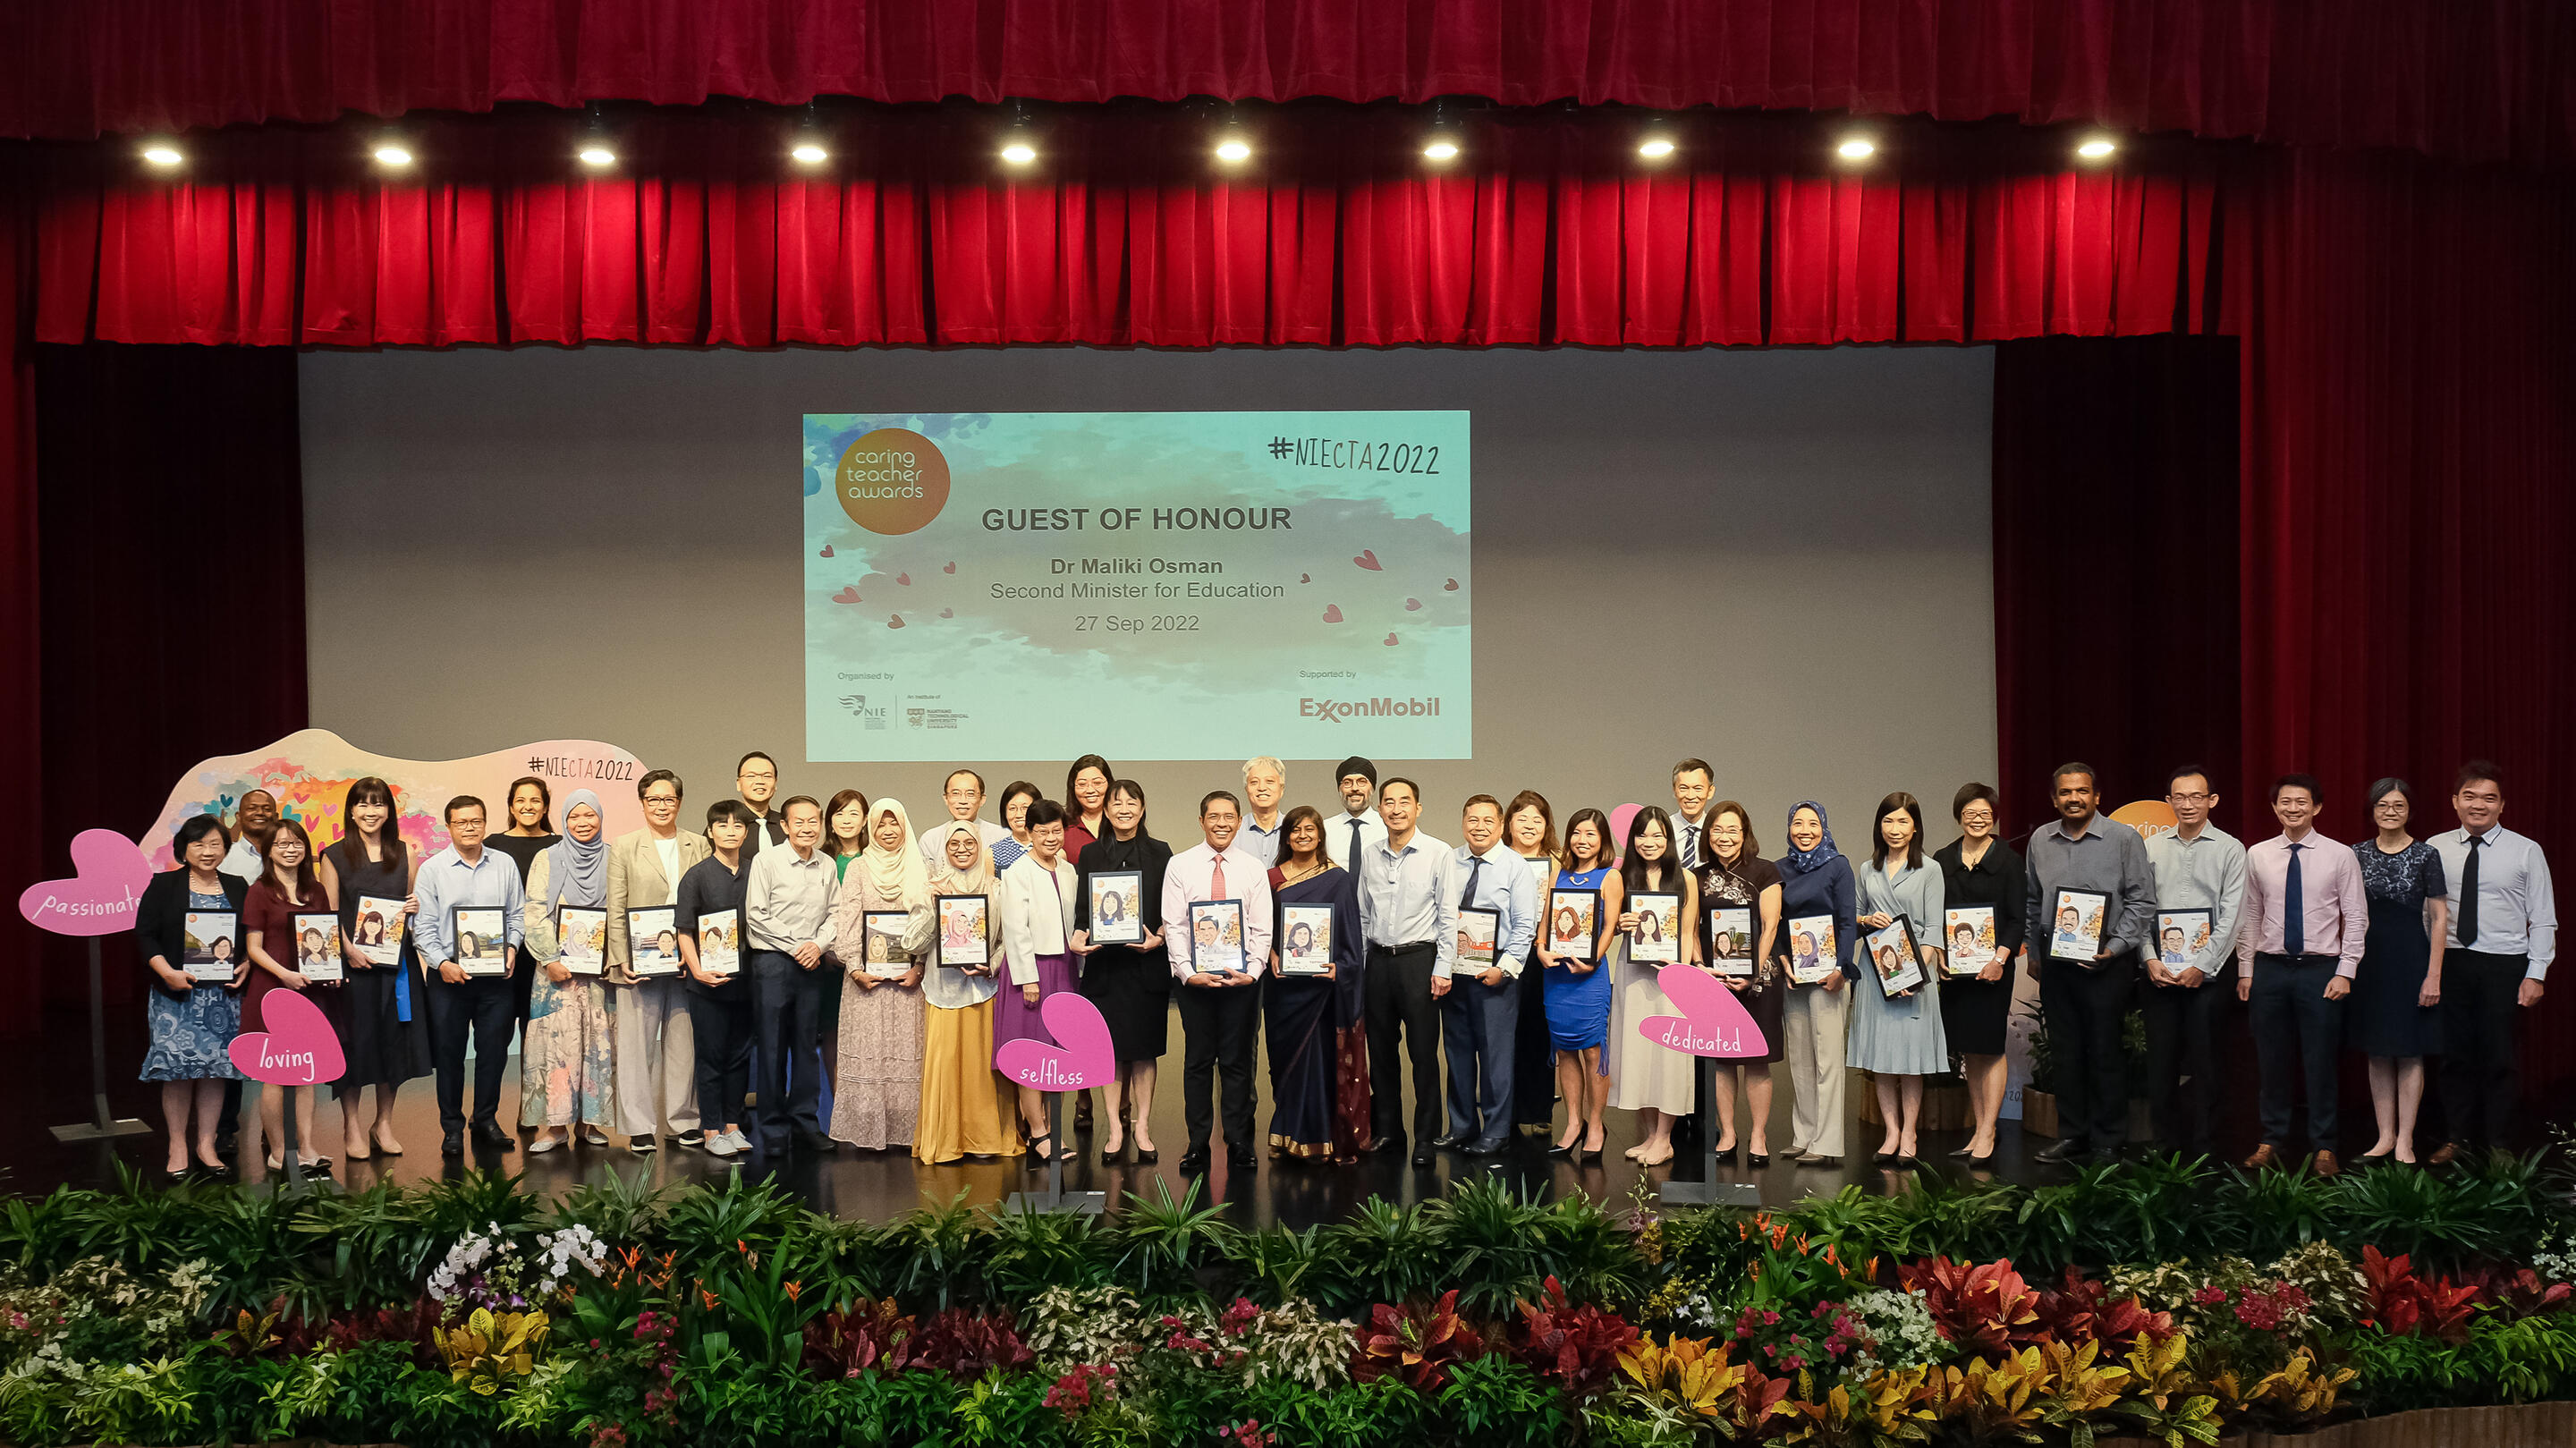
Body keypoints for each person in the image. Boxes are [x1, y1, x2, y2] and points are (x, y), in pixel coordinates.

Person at [2022, 763, 2156, 1166]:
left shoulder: (2124, 838)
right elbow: (2032, 901)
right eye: (2065, 792)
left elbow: (2142, 900)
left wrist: (2115, 948)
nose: (2074, 798)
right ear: (2054, 798)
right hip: (2057, 965)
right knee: (2065, 1053)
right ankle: (2073, 1135)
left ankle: (2108, 1140)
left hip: (2107, 965)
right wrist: (2033, 951)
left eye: (2082, 791)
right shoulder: (2040, 840)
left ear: (2097, 796)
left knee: (2104, 1052)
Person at [2237, 774, 2368, 1176]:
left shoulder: (2339, 855)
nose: (2293, 808)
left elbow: (2356, 916)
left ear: (2317, 807)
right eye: (2285, 802)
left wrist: (2346, 971)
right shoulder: (2257, 854)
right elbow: (2251, 915)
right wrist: (2246, 970)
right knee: (2272, 1059)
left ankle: (2324, 1145)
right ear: (2275, 808)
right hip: (2270, 969)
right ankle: (2271, 1138)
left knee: (2320, 1061)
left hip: (2321, 971)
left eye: (2301, 802)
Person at [2430, 761, 2555, 1167]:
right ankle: (2456, 1138)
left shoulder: (2525, 850)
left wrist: (2536, 973)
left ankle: (2499, 1141)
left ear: (2502, 805)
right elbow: (2426, 913)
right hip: (2451, 962)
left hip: (2504, 964)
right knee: (2454, 1055)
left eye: (2488, 798)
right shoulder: (2435, 847)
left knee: (2499, 1055)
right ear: (2455, 802)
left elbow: (2543, 916)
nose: (2478, 805)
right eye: (2469, 796)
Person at [1157, 790, 1274, 1173]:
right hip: (1196, 983)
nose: (1222, 823)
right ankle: (1197, 1144)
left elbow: (1261, 927)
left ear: (1239, 822)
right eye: (1214, 816)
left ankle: (1240, 1142)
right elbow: (1173, 926)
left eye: (1229, 817)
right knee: (1198, 1061)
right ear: (1202, 820)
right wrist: (1188, 972)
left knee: (1238, 1063)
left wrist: (1253, 972)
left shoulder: (1253, 867)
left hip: (1242, 982)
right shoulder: (1180, 865)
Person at [2139, 766, 2248, 1161]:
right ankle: (2165, 1145)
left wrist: (2202, 965)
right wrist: (2149, 959)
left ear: (2212, 801)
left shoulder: (2231, 849)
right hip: (2160, 974)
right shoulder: (2151, 848)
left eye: (2196, 797)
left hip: (2211, 975)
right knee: (2161, 1063)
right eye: (2179, 797)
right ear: (2168, 802)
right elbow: (2140, 909)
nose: (2187, 805)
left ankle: (2206, 1149)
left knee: (2209, 1064)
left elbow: (2234, 914)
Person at [322, 776, 429, 1162]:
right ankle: (351, 1124)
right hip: (354, 970)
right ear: (351, 811)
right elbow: (328, 915)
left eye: (378, 804)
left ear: (389, 811)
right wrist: (347, 950)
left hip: (396, 969)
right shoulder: (334, 856)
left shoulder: (406, 853)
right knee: (354, 1047)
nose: (371, 811)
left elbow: (413, 909)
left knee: (394, 1045)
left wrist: (417, 908)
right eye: (363, 804)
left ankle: (383, 1123)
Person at [137, 815, 249, 1181]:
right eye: (199, 844)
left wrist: (246, 963)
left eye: (215, 844)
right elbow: (145, 935)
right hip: (176, 995)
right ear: (183, 849)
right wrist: (166, 971)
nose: (207, 851)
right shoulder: (164, 884)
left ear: (225, 849)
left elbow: (250, 937)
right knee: (177, 1072)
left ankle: (205, 1144)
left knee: (217, 1071)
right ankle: (177, 1145)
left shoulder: (238, 885)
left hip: (222, 997)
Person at [415, 795, 529, 1156]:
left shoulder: (504, 864)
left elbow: (518, 914)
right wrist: (441, 963)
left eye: (476, 821)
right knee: (449, 1053)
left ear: (485, 823)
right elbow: (424, 927)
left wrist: (511, 948)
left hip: (496, 977)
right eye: (461, 822)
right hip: (448, 976)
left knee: (493, 1052)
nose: (469, 828)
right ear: (448, 826)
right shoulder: (433, 869)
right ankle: (451, 1126)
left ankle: (486, 1119)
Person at [605, 769, 709, 1153]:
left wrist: (699, 955)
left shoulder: (698, 844)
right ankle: (638, 1126)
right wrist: (620, 959)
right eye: (654, 800)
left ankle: (683, 1121)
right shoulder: (625, 846)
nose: (662, 806)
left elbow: (707, 905)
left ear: (679, 803)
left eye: (669, 799)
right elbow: (616, 907)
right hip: (639, 965)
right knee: (635, 1046)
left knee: (684, 1043)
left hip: (686, 962)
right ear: (642, 803)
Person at [1072, 778, 1172, 1164]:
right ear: (1106, 810)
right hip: (1106, 968)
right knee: (1108, 1051)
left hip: (1146, 965)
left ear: (1142, 808)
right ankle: (1115, 1128)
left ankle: (1142, 1126)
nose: (1124, 808)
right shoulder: (1092, 854)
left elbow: (1171, 909)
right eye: (1117, 803)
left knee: (1145, 1051)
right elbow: (1084, 909)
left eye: (1132, 802)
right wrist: (1079, 937)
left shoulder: (1161, 853)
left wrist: (1159, 937)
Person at [1357, 777, 1454, 1166]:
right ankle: (1388, 1131)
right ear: (1379, 809)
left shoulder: (1438, 852)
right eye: (1389, 802)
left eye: (1404, 802)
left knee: (1423, 1055)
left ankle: (1426, 1138)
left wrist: (1443, 967)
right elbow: (1365, 913)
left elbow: (1448, 915)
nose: (1396, 809)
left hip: (1420, 961)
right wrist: (1363, 965)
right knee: (1380, 1054)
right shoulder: (1369, 852)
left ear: (1418, 808)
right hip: (1378, 961)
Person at [2352, 777, 2449, 1164]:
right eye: (2382, 805)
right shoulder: (2355, 853)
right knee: (2377, 1051)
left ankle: (2407, 1138)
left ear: (2409, 810)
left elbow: (2440, 918)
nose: (2390, 812)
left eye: (2398, 805)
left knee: (2410, 1051)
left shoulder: (2427, 855)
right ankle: (2384, 1136)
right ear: (2372, 810)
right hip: (2369, 961)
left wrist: (2434, 974)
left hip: (2412, 959)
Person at [1437, 793, 1539, 1159]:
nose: (1479, 827)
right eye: (1472, 820)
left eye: (1487, 821)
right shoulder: (1449, 859)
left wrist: (1505, 969)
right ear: (1463, 823)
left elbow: (1526, 926)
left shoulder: (1515, 867)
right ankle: (1462, 1125)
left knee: (1495, 1058)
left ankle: (1496, 1131)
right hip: (1454, 972)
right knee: (1457, 1053)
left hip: (1495, 973)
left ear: (1500, 826)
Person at [826, 799, 930, 1152]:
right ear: (871, 828)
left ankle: (906, 1129)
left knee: (906, 1051)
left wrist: (919, 967)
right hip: (864, 983)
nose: (888, 831)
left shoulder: (920, 867)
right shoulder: (858, 867)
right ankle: (867, 1130)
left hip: (909, 984)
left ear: (905, 826)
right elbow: (848, 921)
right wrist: (854, 967)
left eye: (895, 824)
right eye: (881, 825)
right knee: (868, 1051)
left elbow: (927, 925)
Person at [1851, 793, 1947, 1169]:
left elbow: (1935, 930)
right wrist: (1866, 921)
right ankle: (1891, 1132)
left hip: (1914, 975)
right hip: (1876, 974)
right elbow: (1855, 916)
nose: (1895, 829)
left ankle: (1910, 1132)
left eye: (1903, 822)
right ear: (1880, 826)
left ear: (1916, 827)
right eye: (1888, 822)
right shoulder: (1866, 869)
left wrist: (1914, 976)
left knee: (1909, 1059)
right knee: (1882, 1058)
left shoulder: (1930, 870)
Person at [1931, 783, 2026, 1164]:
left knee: (1991, 1047)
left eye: (1985, 813)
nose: (1977, 819)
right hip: (1956, 975)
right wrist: (1939, 955)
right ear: (1959, 816)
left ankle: (1989, 1130)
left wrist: (1999, 960)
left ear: (1995, 816)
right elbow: (1934, 914)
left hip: (1994, 970)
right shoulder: (1942, 859)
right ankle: (1979, 1127)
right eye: (1970, 813)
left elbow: (2018, 918)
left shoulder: (2009, 859)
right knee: (1970, 1049)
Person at [518, 789, 616, 1154]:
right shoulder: (547, 858)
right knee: (557, 1050)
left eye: (589, 815)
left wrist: (613, 956)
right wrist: (549, 959)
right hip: (555, 976)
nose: (582, 823)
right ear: (563, 820)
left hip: (599, 976)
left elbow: (620, 912)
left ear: (601, 818)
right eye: (574, 817)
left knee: (596, 1045)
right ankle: (556, 1126)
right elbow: (534, 911)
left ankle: (588, 1123)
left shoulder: (613, 857)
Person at [1604, 807, 1702, 1167]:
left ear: (1669, 839)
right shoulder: (1619, 875)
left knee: (1670, 1055)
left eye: (1658, 835)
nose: (1650, 842)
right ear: (1632, 839)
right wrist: (1620, 924)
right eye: (1642, 835)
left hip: (1672, 978)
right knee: (1638, 1052)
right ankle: (1649, 1135)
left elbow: (1689, 931)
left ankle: (1665, 1138)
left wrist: (1688, 971)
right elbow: (1608, 928)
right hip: (1634, 975)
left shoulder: (1686, 878)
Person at [1265, 805, 1364, 1160]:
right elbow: (1266, 930)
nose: (1303, 835)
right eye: (1295, 830)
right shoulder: (1272, 877)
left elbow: (1351, 933)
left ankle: (1319, 1137)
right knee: (1285, 1065)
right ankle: (1285, 1133)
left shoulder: (1338, 878)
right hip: (1284, 991)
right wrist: (1272, 955)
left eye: (1310, 829)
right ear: (1286, 836)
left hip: (1321, 990)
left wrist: (1342, 968)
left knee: (1319, 1065)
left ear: (1320, 834)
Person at [745, 795, 841, 1155]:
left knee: (806, 1047)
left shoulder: (827, 865)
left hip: (812, 962)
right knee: (771, 1046)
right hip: (773, 962)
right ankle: (771, 1128)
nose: (807, 828)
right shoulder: (766, 861)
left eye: (813, 821)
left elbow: (836, 914)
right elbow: (756, 914)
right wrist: (797, 946)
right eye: (798, 822)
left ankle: (805, 1123)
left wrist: (816, 946)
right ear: (784, 826)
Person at [919, 819, 1018, 1164]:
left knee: (982, 1071)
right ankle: (947, 1142)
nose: (962, 850)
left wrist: (991, 963)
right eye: (954, 845)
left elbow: (1009, 940)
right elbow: (912, 943)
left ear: (980, 847)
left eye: (970, 844)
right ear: (944, 850)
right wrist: (932, 907)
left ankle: (986, 1140)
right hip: (943, 991)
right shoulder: (930, 887)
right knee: (946, 1067)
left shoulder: (997, 887)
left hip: (984, 990)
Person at [246, 819, 342, 1175]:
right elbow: (253, 948)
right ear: (268, 850)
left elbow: (327, 940)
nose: (291, 849)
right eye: (282, 844)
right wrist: (284, 974)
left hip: (310, 991)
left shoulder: (315, 889)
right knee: (274, 1074)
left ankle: (307, 1147)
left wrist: (331, 972)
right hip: (272, 990)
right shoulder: (259, 890)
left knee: (306, 1072)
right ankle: (276, 1151)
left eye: (297, 843)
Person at [1696, 800, 1784, 1166]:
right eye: (1717, 830)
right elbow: (1690, 929)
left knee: (1758, 1062)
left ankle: (1759, 1135)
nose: (1725, 837)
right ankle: (1728, 1132)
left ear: (1745, 834)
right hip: (1715, 981)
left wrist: (1752, 972)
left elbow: (1771, 926)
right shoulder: (1696, 876)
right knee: (1722, 1061)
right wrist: (1702, 968)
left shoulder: (1766, 871)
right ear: (1708, 834)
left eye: (1733, 830)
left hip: (1759, 980)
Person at [1001, 799, 1083, 1161]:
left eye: (1056, 830)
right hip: (1031, 971)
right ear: (1029, 833)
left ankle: (1055, 1126)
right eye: (1042, 831)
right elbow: (1015, 929)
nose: (1051, 838)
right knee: (1031, 1055)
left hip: (1065, 969)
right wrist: (1028, 979)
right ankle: (1037, 1132)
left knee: (1060, 1053)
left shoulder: (1067, 869)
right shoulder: (1017, 871)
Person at [675, 800, 758, 1156]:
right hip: (707, 983)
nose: (730, 831)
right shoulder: (696, 875)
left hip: (747, 981)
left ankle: (733, 1125)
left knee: (740, 1056)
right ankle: (710, 1129)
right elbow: (684, 930)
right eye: (722, 825)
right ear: (710, 831)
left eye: (737, 825)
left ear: (746, 832)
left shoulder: (756, 871)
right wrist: (697, 970)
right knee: (711, 1056)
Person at [1778, 801, 1858, 1167]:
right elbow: (1775, 923)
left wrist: (1842, 968)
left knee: (1827, 1059)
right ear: (1789, 827)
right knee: (1800, 1058)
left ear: (1823, 827)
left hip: (1830, 977)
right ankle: (1804, 1135)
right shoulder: (1780, 869)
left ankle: (1827, 1142)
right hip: (1794, 976)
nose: (1805, 830)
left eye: (1812, 823)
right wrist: (1782, 960)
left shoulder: (1837, 865)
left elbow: (1846, 920)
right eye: (1798, 823)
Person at [1538, 809, 1619, 1161]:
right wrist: (1540, 949)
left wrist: (1593, 960)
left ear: (1602, 840)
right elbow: (1546, 920)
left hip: (1589, 977)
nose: (1582, 841)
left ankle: (1597, 1124)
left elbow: (1608, 929)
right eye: (1576, 833)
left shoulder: (1609, 877)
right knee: (1564, 1050)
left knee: (1592, 1052)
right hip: (1555, 975)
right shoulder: (1560, 871)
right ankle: (1573, 1122)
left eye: (1590, 834)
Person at [1503, 792, 1561, 1139]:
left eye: (1537, 820)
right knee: (1502, 1036)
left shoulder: (1555, 863)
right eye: (1522, 818)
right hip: (1501, 956)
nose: (1529, 825)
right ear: (1508, 823)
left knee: (1539, 1034)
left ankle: (1540, 1109)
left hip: (1540, 958)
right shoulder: (1495, 859)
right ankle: (1504, 1111)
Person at [919, 768, 1011, 868]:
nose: (963, 801)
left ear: (982, 799)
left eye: (970, 794)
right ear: (946, 799)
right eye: (955, 793)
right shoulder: (931, 839)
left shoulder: (1002, 837)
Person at [1325, 757, 1390, 871]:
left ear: (1373, 788)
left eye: (1362, 782)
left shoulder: (1388, 827)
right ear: (1339, 789)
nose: (1354, 788)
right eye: (1347, 783)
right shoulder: (1325, 828)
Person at [1063, 755, 1115, 863]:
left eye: (1097, 783)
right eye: (1082, 784)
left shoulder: (1121, 824)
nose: (1090, 790)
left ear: (1109, 784)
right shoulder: (1063, 827)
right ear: (1072, 788)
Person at [221, 788, 280, 880]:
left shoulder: (289, 855)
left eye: (267, 809)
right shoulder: (223, 857)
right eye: (252, 808)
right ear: (239, 817)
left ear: (276, 818)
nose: (260, 813)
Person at [1240, 758, 1289, 865]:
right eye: (1254, 782)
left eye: (1269, 781)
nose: (1262, 788)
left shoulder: (1294, 828)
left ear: (1281, 789)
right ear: (1246, 789)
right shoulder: (1234, 830)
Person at [735, 752, 788, 852]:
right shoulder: (725, 825)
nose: (760, 781)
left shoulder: (786, 825)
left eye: (767, 776)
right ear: (738, 784)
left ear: (775, 783)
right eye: (751, 776)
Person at [1670, 760, 1716, 872]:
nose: (1690, 796)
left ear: (1710, 791)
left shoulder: (1718, 832)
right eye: (1683, 788)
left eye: (1698, 788)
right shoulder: (1663, 830)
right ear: (1675, 790)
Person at [993, 782, 1042, 873]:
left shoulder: (1052, 850)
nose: (1019, 815)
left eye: (1025, 808)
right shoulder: (993, 854)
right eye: (1012, 808)